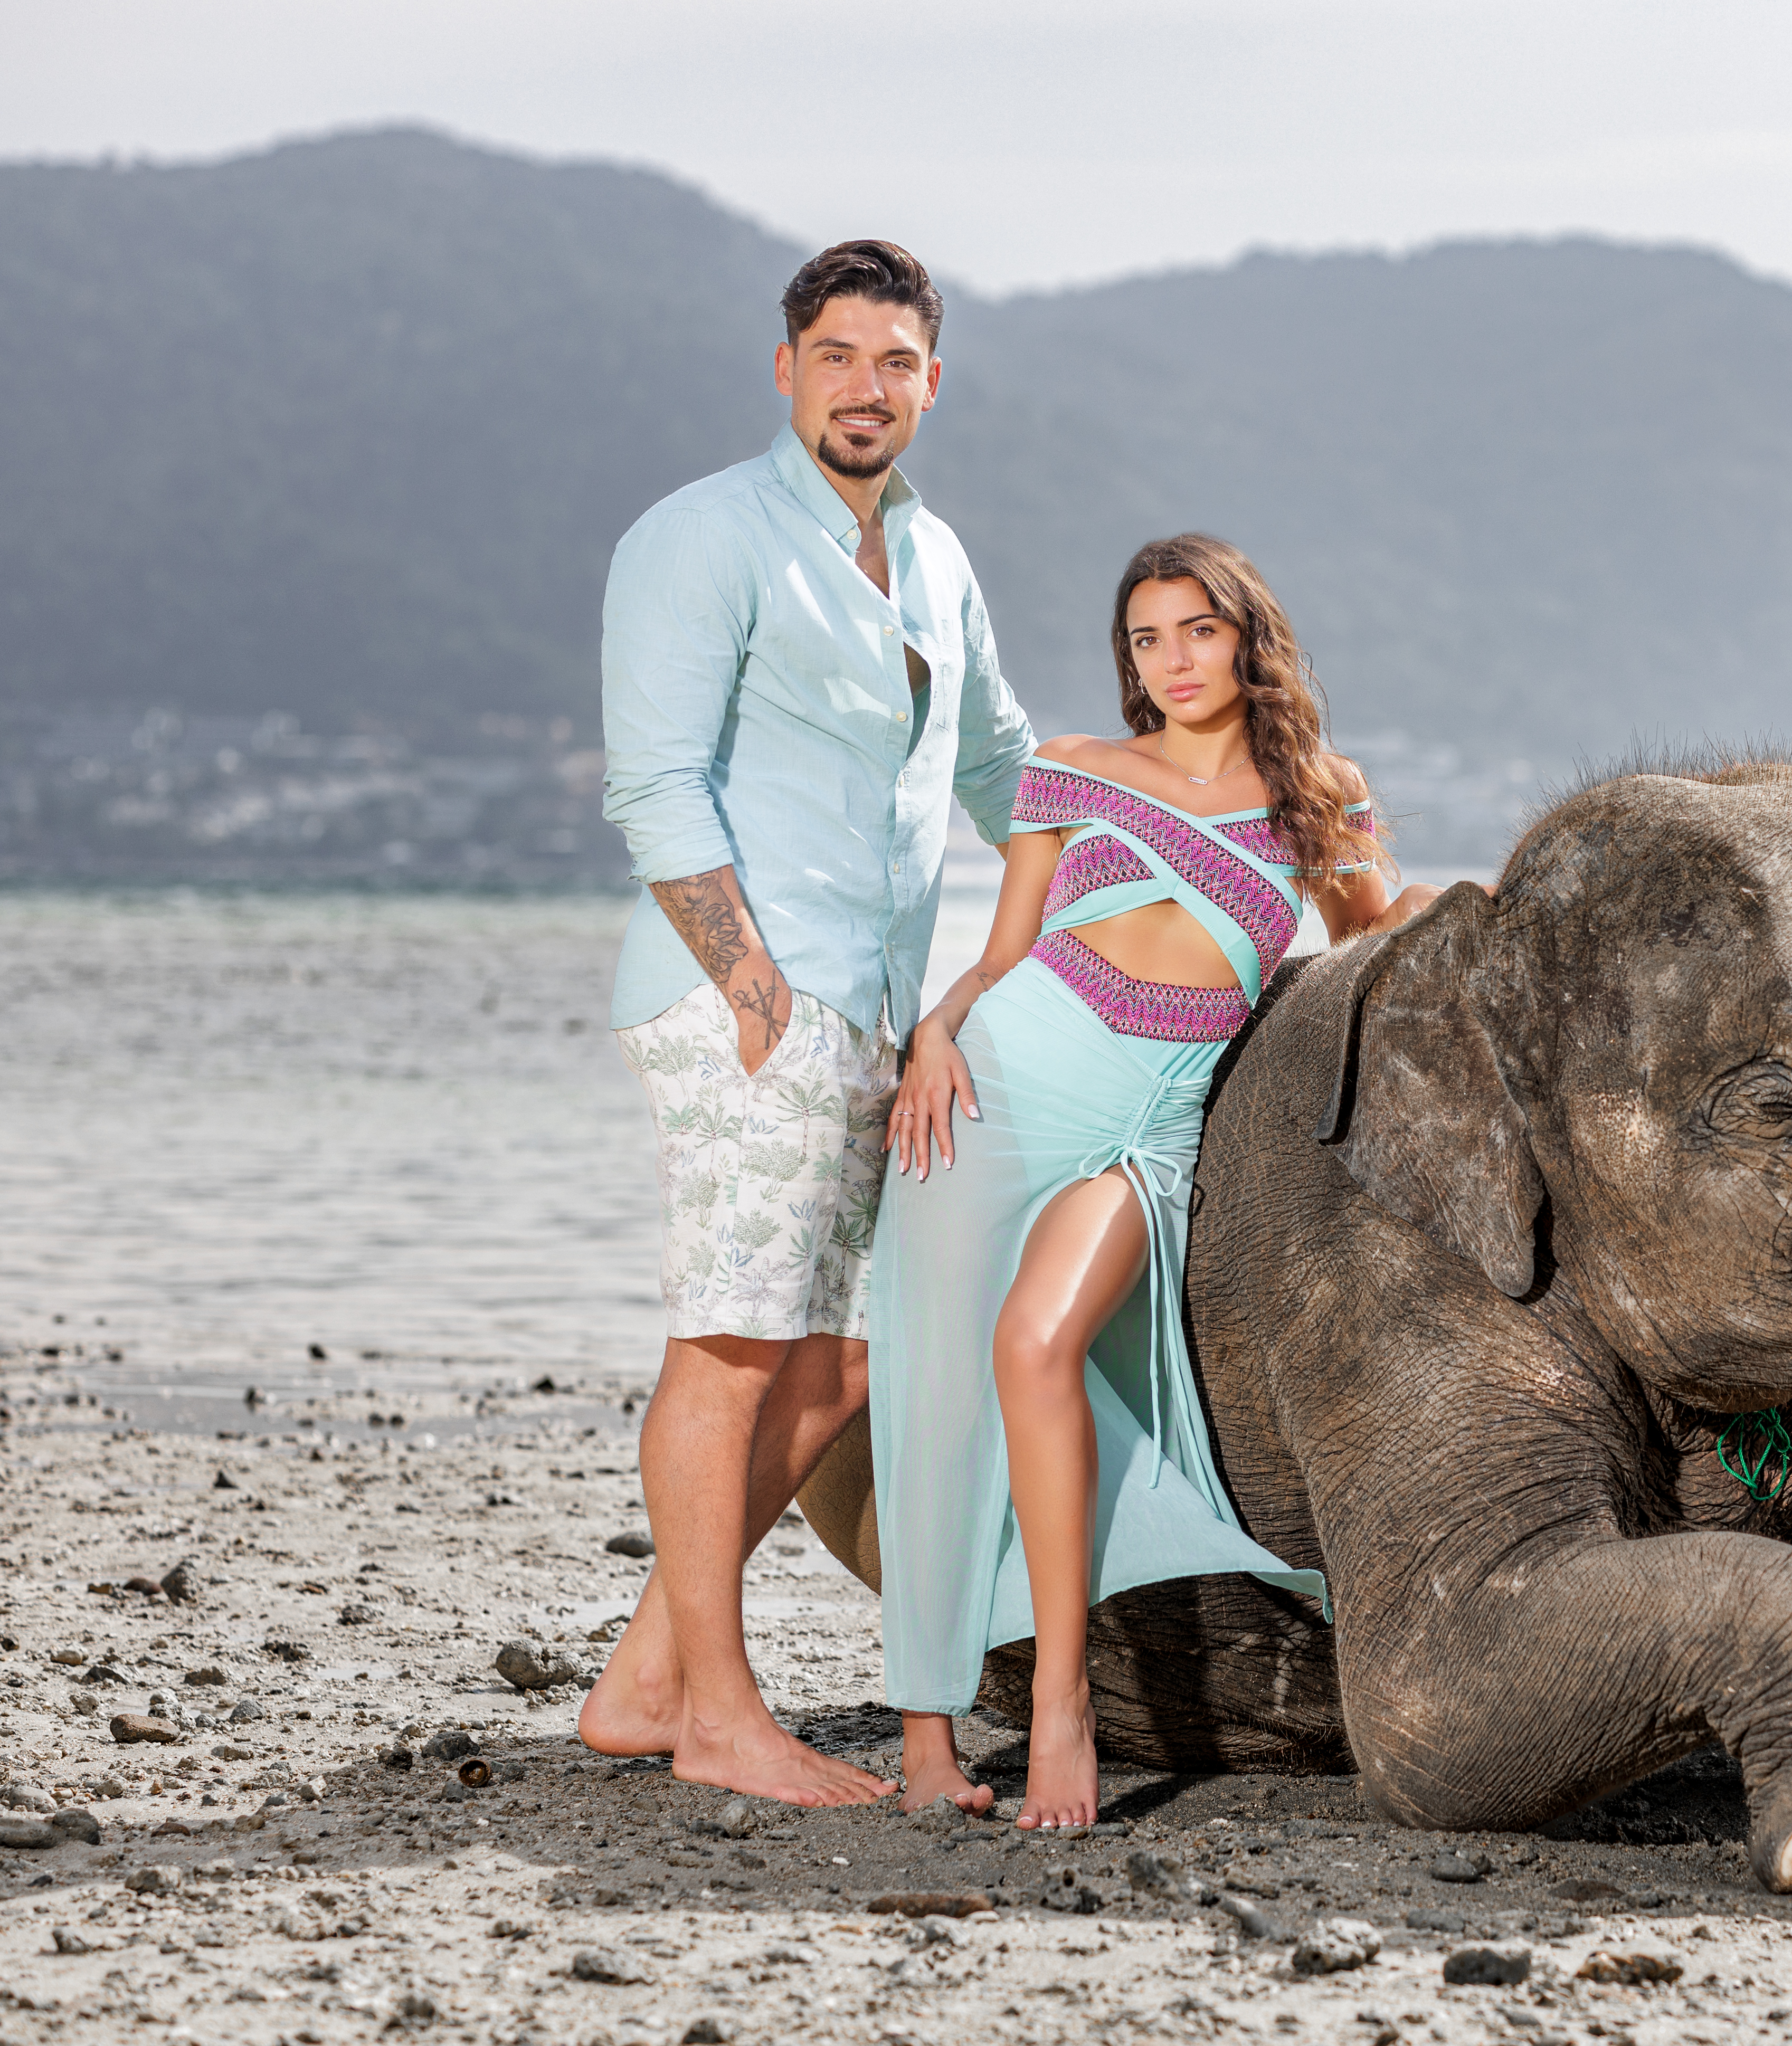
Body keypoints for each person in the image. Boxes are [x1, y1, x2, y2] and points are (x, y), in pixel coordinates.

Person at [871, 535, 1435, 1824]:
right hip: (1003, 1080)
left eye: (1196, 630)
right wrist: (938, 1031)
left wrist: (1497, 900)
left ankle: (1062, 1702)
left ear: (1247, 638)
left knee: (1034, 1341)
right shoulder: (1069, 770)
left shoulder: (1313, 795)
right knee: (935, 1386)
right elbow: (1001, 952)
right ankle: (924, 1740)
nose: (1172, 660)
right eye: (1146, 638)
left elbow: (1375, 935)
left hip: (1156, 1112)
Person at [588, 240, 1040, 1805]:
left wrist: (1205, 814)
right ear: (786, 369)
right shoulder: (701, 536)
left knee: (837, 1366)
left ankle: (649, 1676)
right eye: (839, 356)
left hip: (879, 1010)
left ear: (932, 382)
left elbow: (1007, 775)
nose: (868, 386)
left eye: (897, 362)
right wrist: (751, 984)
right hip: (752, 1007)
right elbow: (652, 781)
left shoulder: (937, 560)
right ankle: (717, 1712)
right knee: (730, 1346)